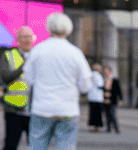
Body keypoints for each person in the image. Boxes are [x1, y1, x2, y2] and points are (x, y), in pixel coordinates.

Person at [23, 12, 93, 150]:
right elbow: (86, 85)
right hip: (67, 110)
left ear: (48, 28)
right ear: (68, 29)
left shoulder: (37, 50)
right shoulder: (75, 53)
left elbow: (28, 79)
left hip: (42, 108)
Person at [0, 25, 35, 150]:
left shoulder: (38, 55)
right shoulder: (8, 55)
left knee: (36, 146)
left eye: (29, 36)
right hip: (14, 110)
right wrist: (25, 66)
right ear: (17, 39)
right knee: (10, 145)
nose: (27, 40)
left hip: (35, 110)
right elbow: (5, 77)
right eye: (24, 37)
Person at [102, 65, 122, 133]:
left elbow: (119, 90)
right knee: (107, 114)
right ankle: (108, 128)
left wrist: (121, 99)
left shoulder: (115, 80)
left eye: (107, 71)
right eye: (105, 72)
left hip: (112, 100)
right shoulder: (104, 80)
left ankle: (116, 128)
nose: (106, 73)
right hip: (105, 99)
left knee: (112, 114)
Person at [87, 62, 105, 131]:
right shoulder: (97, 75)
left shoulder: (90, 74)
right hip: (97, 96)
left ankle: (93, 125)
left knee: (92, 112)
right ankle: (96, 126)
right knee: (97, 113)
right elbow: (100, 85)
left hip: (92, 96)